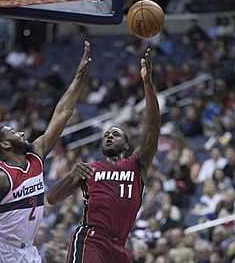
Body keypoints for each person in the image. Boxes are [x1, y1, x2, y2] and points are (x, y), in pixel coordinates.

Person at [0, 41, 92, 263]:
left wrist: (79, 75)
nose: (21, 133)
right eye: (13, 132)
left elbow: (62, 112)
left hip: (29, 251)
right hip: (3, 250)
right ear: (5, 145)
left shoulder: (36, 155)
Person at [46, 48, 160, 263]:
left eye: (115, 134)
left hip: (120, 246)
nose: (108, 137)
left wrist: (147, 84)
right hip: (92, 239)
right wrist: (71, 176)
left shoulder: (136, 164)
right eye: (106, 134)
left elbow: (153, 129)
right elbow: (52, 198)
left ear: (126, 144)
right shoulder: (90, 168)